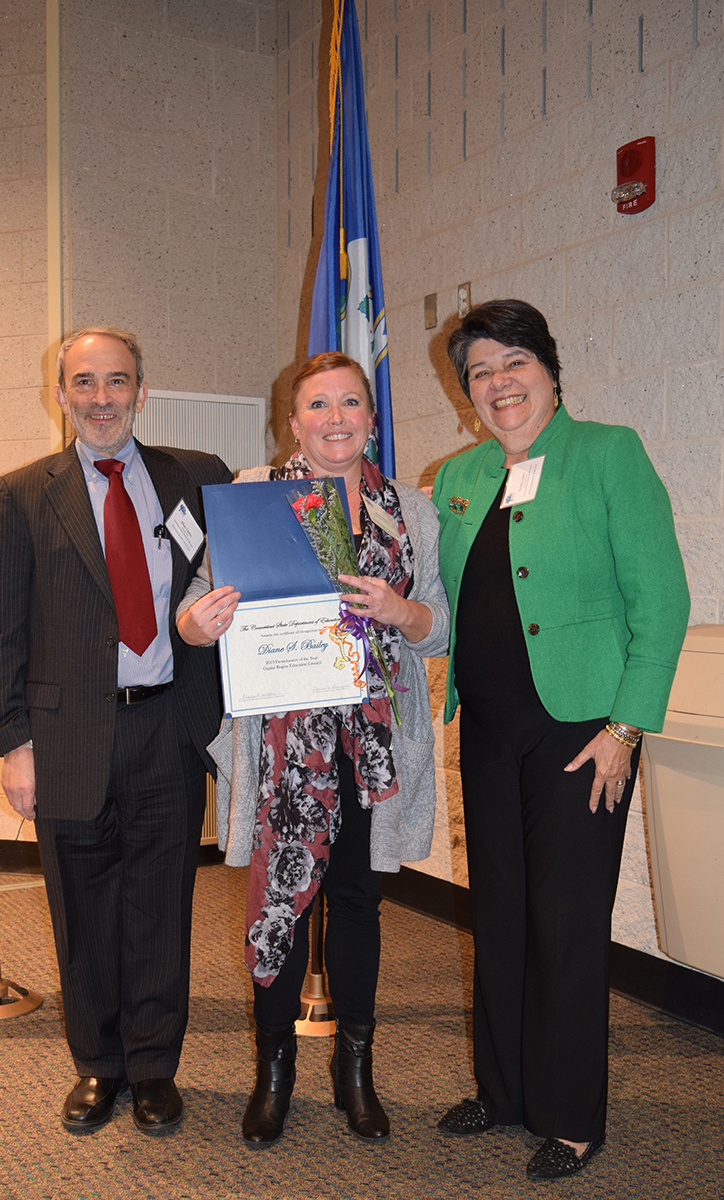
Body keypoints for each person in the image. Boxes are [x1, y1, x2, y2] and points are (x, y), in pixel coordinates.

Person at [431, 300, 690, 1179]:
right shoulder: (461, 474)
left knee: (567, 922)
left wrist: (627, 727)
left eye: (515, 363)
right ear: (467, 391)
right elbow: (448, 598)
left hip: (583, 733)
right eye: (480, 372)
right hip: (488, 730)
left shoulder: (608, 454)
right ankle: (503, 1091)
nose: (499, 383)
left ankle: (571, 1116)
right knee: (500, 913)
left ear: (549, 370)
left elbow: (662, 601)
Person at [177, 351, 450, 1147]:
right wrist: (200, 623)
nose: (336, 419)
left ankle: (355, 1073)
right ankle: (275, 1074)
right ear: (292, 423)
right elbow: (194, 605)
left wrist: (401, 611)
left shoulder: (412, 510)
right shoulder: (256, 495)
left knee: (359, 903)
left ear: (371, 417)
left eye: (351, 403)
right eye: (319, 405)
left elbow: (439, 627)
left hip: (373, 746)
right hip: (282, 747)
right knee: (280, 904)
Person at [0, 327, 231, 1135]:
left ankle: (153, 1067)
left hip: (169, 726)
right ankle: (98, 1065)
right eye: (83, 382)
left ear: (142, 391)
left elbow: (245, 563)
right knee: (82, 910)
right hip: (64, 738)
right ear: (60, 394)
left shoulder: (198, 478)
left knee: (161, 904)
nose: (100, 398)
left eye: (116, 381)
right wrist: (15, 745)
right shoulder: (20, 494)